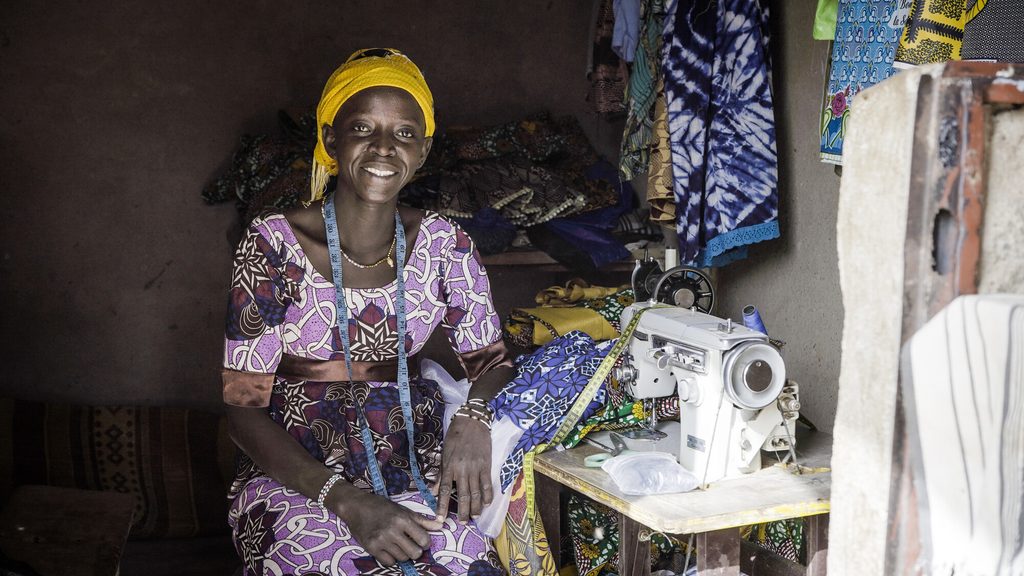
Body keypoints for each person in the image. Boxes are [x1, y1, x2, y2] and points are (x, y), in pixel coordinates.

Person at [221, 48, 514, 575]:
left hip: (413, 470)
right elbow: (241, 410)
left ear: (422, 151)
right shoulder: (273, 244)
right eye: (363, 127)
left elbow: (491, 364)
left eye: (404, 134)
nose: (384, 148)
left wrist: (474, 418)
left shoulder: (446, 245)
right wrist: (348, 501)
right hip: (297, 477)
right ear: (331, 138)